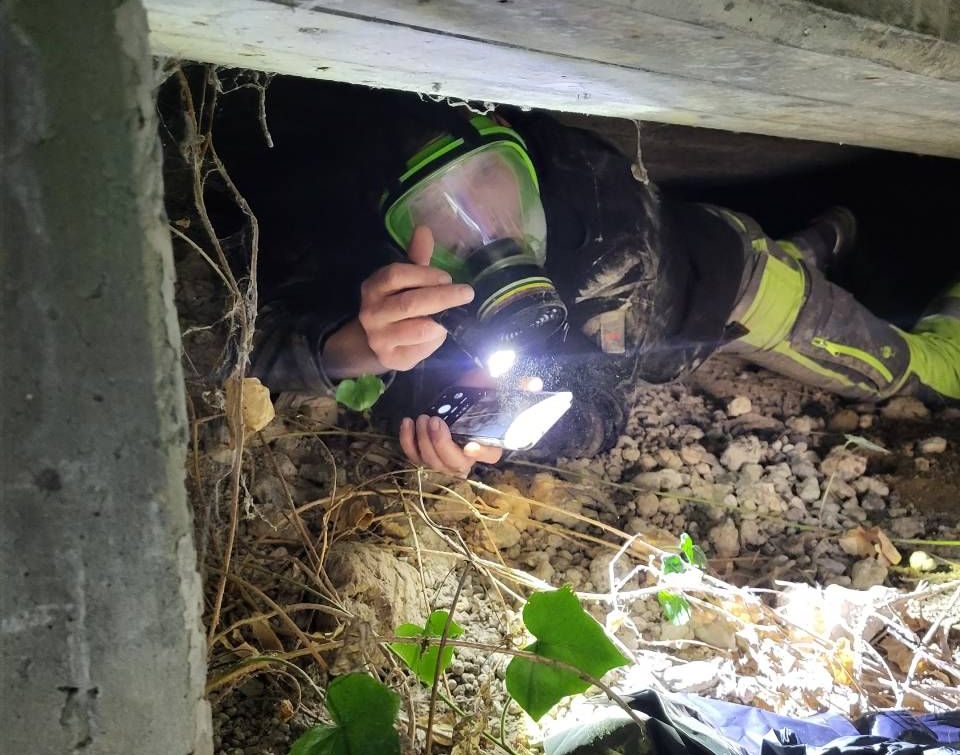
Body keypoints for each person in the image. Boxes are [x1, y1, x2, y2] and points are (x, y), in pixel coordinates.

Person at [230, 82, 959, 475]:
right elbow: (231, 340)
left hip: (728, 283)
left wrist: (517, 396)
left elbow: (598, 410)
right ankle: (823, 239)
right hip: (679, 280)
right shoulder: (364, 273)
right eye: (442, 216)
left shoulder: (600, 221)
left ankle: (820, 255)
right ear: (385, 232)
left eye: (496, 184)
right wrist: (349, 350)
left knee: (914, 376)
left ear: (528, 158)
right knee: (809, 258)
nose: (487, 231)